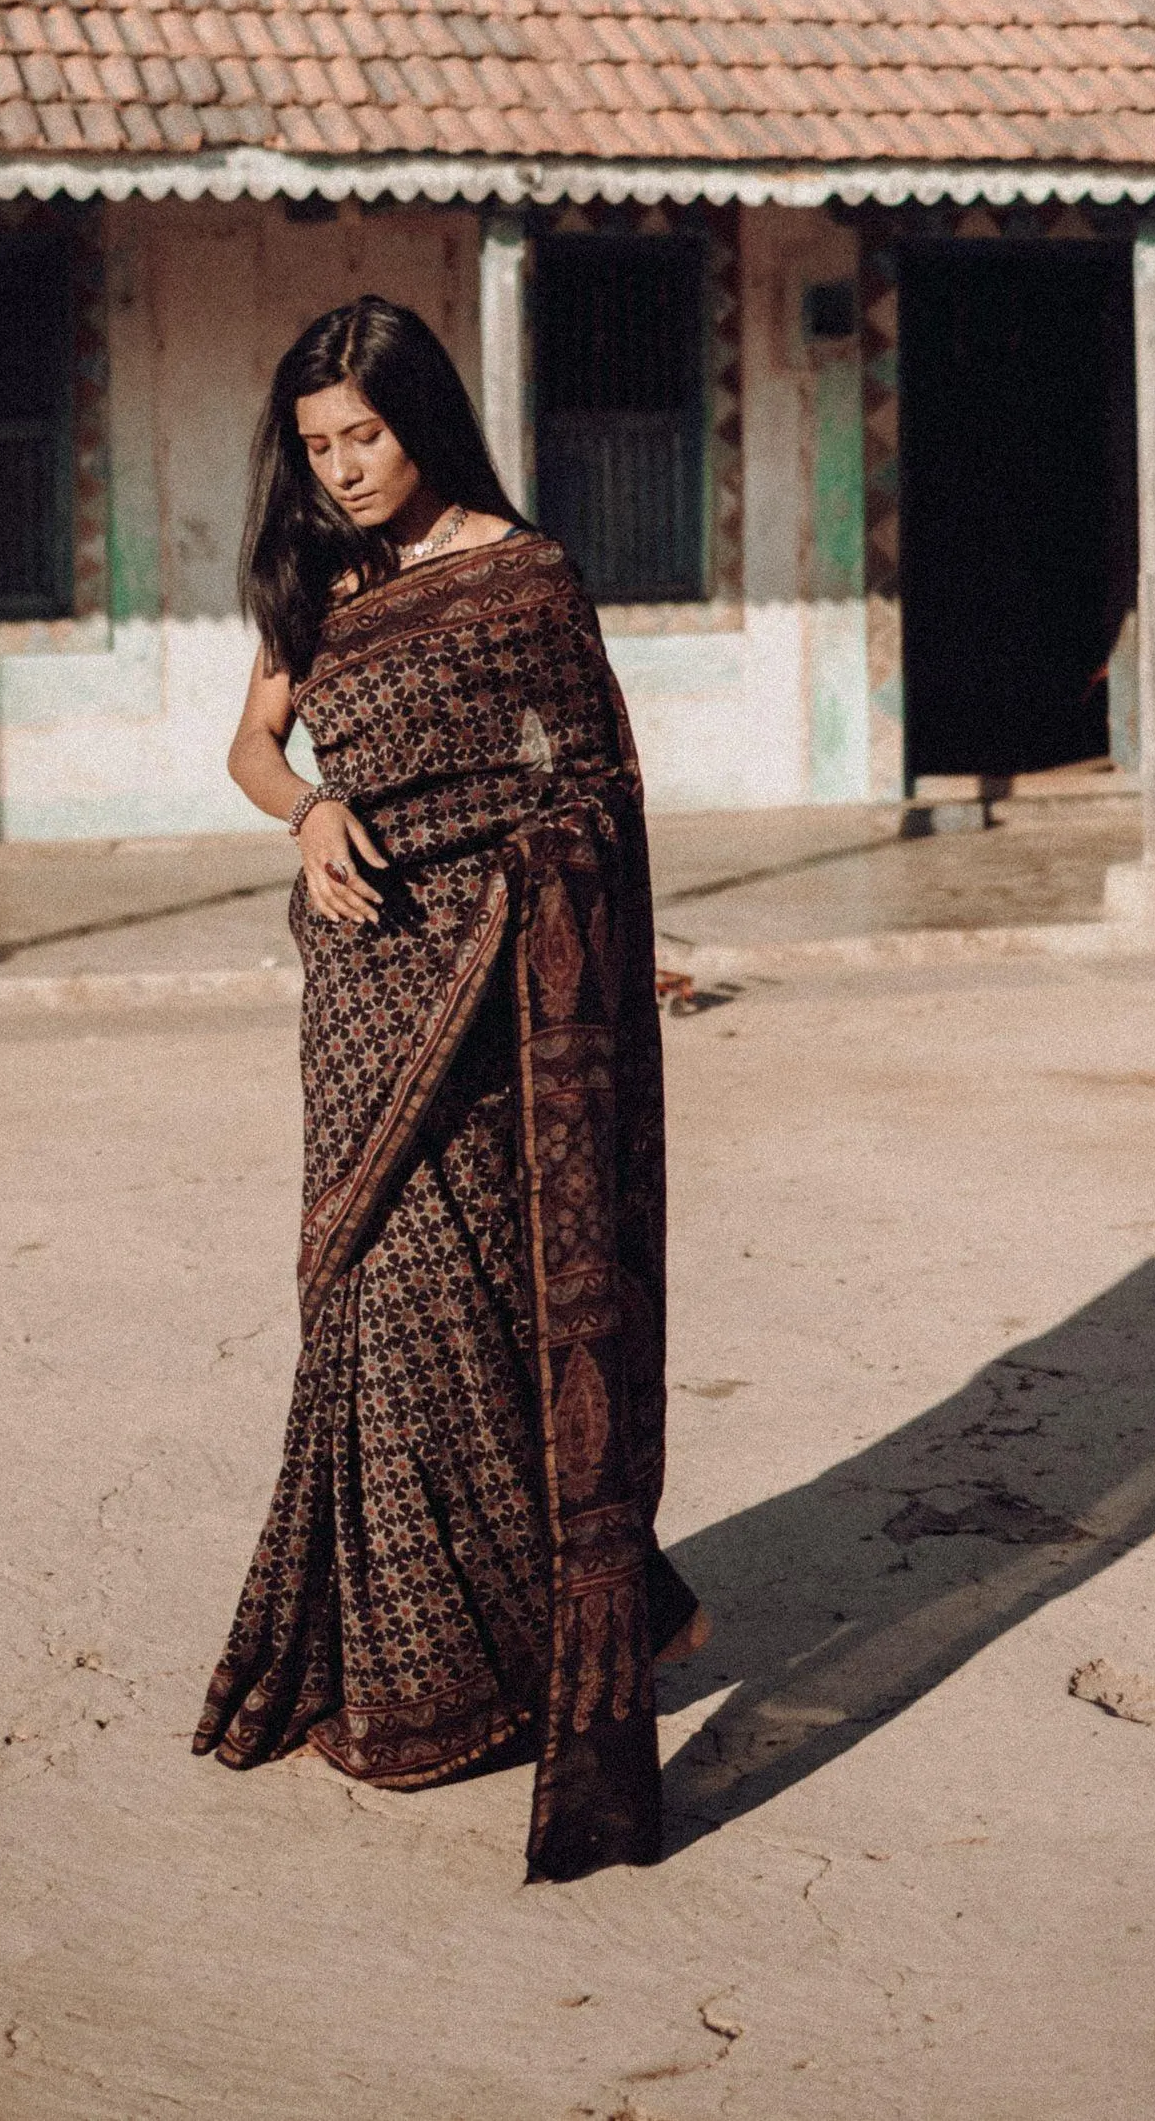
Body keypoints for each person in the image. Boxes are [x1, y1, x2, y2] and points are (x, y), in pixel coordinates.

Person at [192, 295, 700, 1883]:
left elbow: (598, 786)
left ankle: (500, 1664)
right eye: (318, 443)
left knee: (480, 1306)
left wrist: (539, 898)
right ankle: (405, 1666)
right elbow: (252, 748)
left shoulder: (524, 574)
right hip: (361, 993)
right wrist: (307, 815)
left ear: (427, 420)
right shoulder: (315, 580)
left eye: (367, 434)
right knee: (366, 1300)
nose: (344, 467)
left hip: (506, 1005)